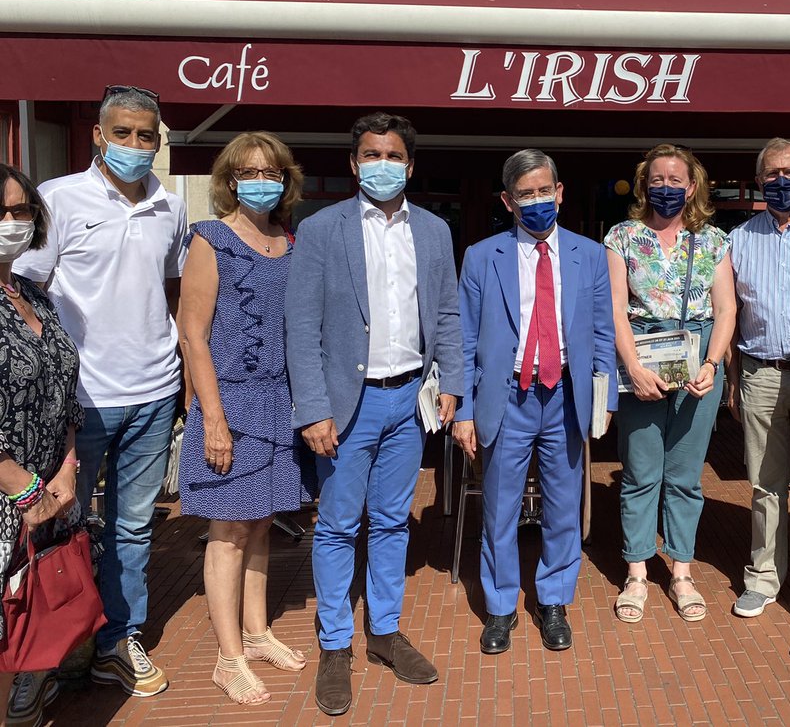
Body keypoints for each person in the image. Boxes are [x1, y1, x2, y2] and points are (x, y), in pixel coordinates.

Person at [285, 112, 463, 717]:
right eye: (370, 154)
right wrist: (312, 409)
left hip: (408, 400)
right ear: (354, 163)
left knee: (391, 522)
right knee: (337, 525)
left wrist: (453, 384)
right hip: (344, 406)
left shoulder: (435, 230)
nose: (381, 164)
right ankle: (336, 645)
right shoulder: (320, 229)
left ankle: (383, 632)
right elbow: (301, 327)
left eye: (392, 155)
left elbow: (446, 315)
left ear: (409, 166)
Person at [16, 85, 187, 697]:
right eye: (124, 134)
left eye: (147, 136)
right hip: (79, 401)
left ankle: (118, 637)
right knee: (61, 523)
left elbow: (169, 290)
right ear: (98, 133)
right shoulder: (58, 201)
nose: (135, 147)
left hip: (154, 391)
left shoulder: (170, 206)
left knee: (133, 526)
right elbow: (25, 292)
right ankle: (56, 644)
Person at [454, 150, 617, 654]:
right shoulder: (482, 256)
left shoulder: (588, 255)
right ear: (508, 201)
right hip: (506, 398)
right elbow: (462, 338)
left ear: (561, 192)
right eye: (526, 194)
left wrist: (604, 397)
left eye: (545, 190)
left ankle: (553, 602)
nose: (537, 201)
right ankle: (501, 607)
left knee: (564, 507)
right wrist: (462, 410)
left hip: (566, 395)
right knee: (500, 509)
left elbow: (603, 333)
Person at [177, 132, 313, 705]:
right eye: (249, 171)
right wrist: (212, 418)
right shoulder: (211, 239)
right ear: (230, 180)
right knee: (228, 533)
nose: (262, 180)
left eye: (272, 171)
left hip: (279, 403)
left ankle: (256, 634)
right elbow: (193, 334)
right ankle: (227, 658)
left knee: (261, 524)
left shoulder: (291, 240)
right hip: (229, 402)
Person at [605, 144, 736, 624]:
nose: (666, 187)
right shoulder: (621, 237)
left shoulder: (715, 241)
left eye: (675, 180)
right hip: (642, 352)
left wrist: (713, 362)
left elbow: (726, 309)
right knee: (641, 474)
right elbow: (616, 308)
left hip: (698, 355)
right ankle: (637, 572)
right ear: (644, 186)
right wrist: (633, 366)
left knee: (684, 476)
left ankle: (681, 570)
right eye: (656, 180)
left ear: (692, 186)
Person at [726, 139, 790, 619]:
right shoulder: (739, 239)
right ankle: (763, 577)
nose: (780, 181)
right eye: (771, 173)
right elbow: (729, 313)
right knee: (765, 484)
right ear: (759, 180)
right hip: (759, 375)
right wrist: (730, 374)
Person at [0, 165, 85, 721]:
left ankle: (32, 691)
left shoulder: (35, 293)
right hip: (12, 496)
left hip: (50, 487)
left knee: (31, 616)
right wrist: (23, 488)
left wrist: (68, 466)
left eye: (20, 211)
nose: (10, 222)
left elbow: (64, 384)